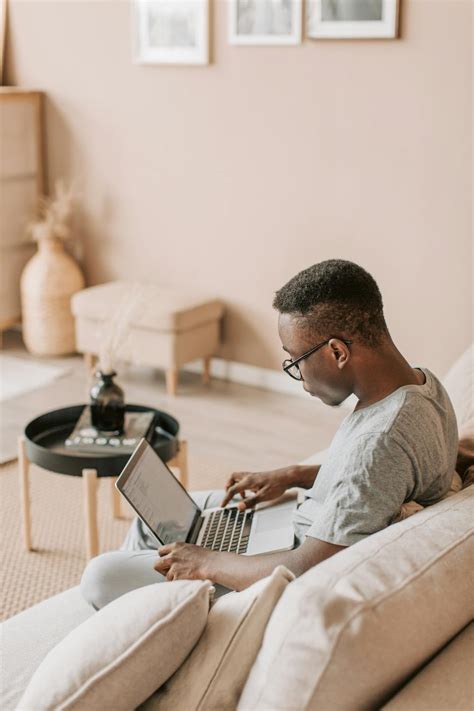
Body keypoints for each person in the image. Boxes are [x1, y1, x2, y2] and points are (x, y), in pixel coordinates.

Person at [81, 259, 458, 609]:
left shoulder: (382, 441)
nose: (298, 376)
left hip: (282, 560)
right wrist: (292, 475)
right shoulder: (423, 386)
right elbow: (372, 480)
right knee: (154, 522)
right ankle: (135, 612)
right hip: (295, 520)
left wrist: (209, 562)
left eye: (295, 361)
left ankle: (137, 617)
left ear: (337, 352)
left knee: (100, 576)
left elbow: (307, 565)